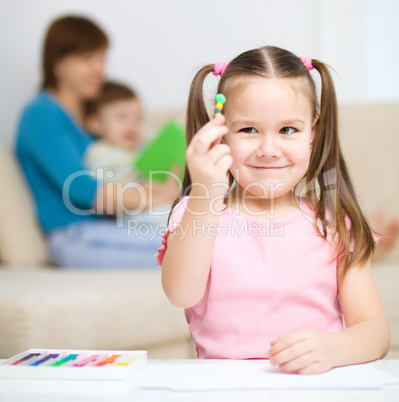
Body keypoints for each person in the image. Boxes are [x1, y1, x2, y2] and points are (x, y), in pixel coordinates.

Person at [157, 46, 390, 374]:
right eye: (248, 130)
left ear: (313, 131)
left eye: (288, 130)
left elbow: (375, 332)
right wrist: (206, 194)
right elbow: (181, 293)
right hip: (222, 389)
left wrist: (332, 348)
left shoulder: (334, 221)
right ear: (220, 133)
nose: (268, 150)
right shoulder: (197, 210)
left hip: (314, 388)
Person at [15, 16, 179, 268]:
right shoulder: (41, 112)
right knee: (187, 252)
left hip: (108, 229)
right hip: (75, 235)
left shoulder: (90, 119)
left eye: (102, 58)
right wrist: (160, 196)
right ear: (58, 64)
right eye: (88, 58)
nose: (100, 68)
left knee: (197, 244)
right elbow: (82, 189)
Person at [84, 80, 173, 226]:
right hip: (133, 214)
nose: (131, 125)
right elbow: (103, 192)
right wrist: (139, 189)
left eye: (137, 119)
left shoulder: (140, 150)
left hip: (155, 204)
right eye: (122, 117)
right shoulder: (99, 152)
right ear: (96, 123)